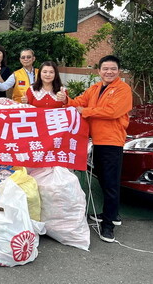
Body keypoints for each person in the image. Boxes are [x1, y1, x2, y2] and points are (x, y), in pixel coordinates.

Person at [58, 55, 132, 243]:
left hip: (112, 142)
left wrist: (87, 112)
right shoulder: (95, 88)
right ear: (99, 71)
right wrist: (66, 100)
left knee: (110, 183)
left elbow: (112, 112)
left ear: (118, 71)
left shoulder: (123, 89)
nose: (109, 72)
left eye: (112, 69)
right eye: (105, 69)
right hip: (97, 141)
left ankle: (108, 225)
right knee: (103, 179)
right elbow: (79, 102)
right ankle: (112, 214)